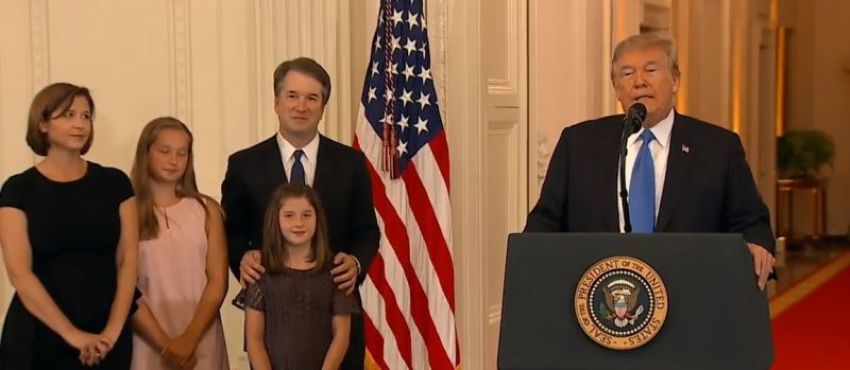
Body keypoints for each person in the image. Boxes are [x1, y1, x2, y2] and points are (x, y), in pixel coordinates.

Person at [525, 32, 776, 289]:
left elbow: (751, 221)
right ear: (615, 88)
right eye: (627, 73)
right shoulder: (579, 143)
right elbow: (546, 220)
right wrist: (531, 261)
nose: (639, 82)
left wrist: (757, 243)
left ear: (675, 80)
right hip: (601, 297)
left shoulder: (717, 147)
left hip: (690, 293)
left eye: (651, 70)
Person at [222, 56, 380, 369]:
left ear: (323, 107)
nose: (301, 106)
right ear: (276, 102)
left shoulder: (350, 163)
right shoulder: (244, 165)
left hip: (336, 317)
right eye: (292, 96)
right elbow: (231, 231)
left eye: (312, 98)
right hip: (275, 326)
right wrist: (242, 256)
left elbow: (366, 230)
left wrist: (356, 262)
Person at [0, 82, 139, 368]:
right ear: (42, 124)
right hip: (39, 333)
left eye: (86, 116)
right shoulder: (18, 189)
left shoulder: (115, 183)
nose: (80, 124)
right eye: (68, 115)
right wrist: (73, 335)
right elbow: (19, 273)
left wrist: (112, 333)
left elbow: (128, 260)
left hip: (107, 330)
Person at [129, 117, 229, 369]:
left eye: (181, 153)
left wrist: (188, 340)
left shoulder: (206, 210)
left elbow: (217, 281)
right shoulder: (127, 212)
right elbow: (126, 288)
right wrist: (165, 344)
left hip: (201, 336)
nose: (173, 160)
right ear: (146, 153)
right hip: (147, 340)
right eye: (165, 151)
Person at [244, 183, 359, 370]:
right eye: (289, 215)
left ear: (317, 219)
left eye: (306, 215)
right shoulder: (261, 272)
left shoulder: (335, 273)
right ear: (276, 219)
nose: (298, 223)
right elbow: (254, 339)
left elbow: (341, 335)